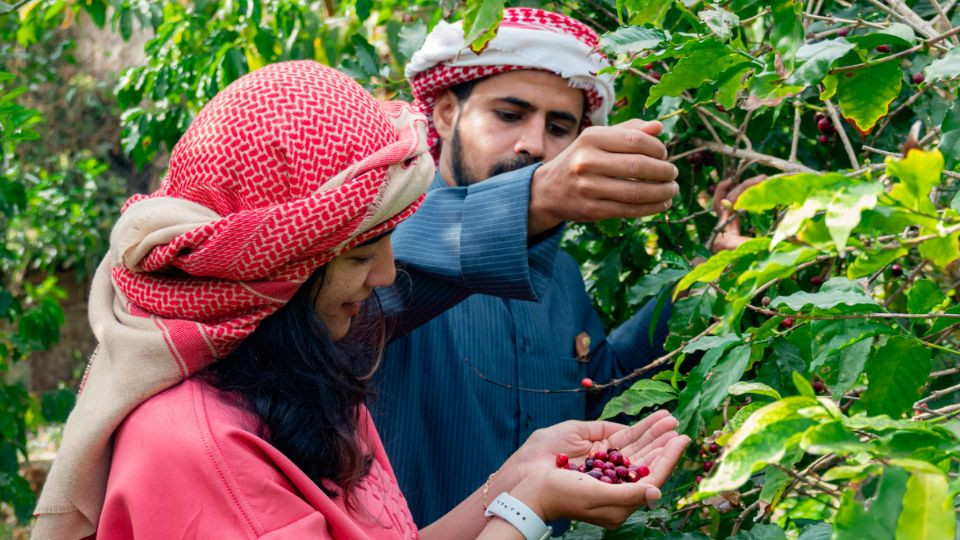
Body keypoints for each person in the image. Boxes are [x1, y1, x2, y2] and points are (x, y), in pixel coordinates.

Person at [31, 61, 689, 540]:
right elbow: (428, 253)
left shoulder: (317, 371)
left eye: (559, 125)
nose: (383, 275)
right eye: (511, 114)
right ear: (277, 266)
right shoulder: (205, 449)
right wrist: (527, 510)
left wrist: (516, 479)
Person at [370, 8, 683, 526]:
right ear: (445, 113)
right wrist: (531, 200)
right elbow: (373, 301)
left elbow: (598, 395)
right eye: (510, 115)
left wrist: (707, 285)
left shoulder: (560, 273)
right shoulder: (376, 241)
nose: (534, 144)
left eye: (559, 127)